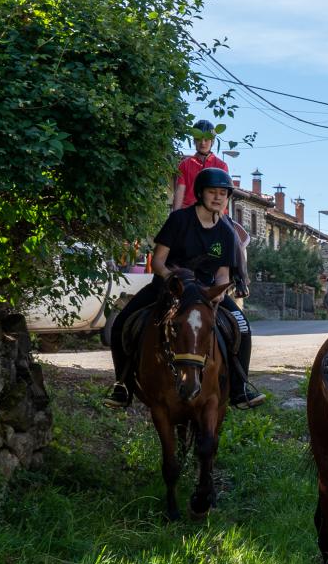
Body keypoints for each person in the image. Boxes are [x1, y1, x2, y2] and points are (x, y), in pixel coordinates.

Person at [108, 167, 267, 410]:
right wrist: (173, 278)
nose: (217, 197)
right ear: (200, 193)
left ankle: (239, 388)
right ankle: (123, 385)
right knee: (121, 324)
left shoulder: (226, 231)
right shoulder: (179, 220)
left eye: (222, 193)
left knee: (243, 328)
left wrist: (220, 290)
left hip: (205, 293)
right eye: (212, 192)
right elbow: (159, 260)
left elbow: (223, 272)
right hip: (169, 289)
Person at [175, 119, 251, 298]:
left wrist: (219, 213)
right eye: (199, 139)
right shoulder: (185, 165)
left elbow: (224, 193)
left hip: (215, 213)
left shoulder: (221, 165)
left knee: (234, 237)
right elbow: (180, 189)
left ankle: (242, 279)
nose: (203, 143)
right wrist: (175, 215)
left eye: (207, 140)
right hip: (190, 211)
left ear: (212, 142)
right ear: (194, 141)